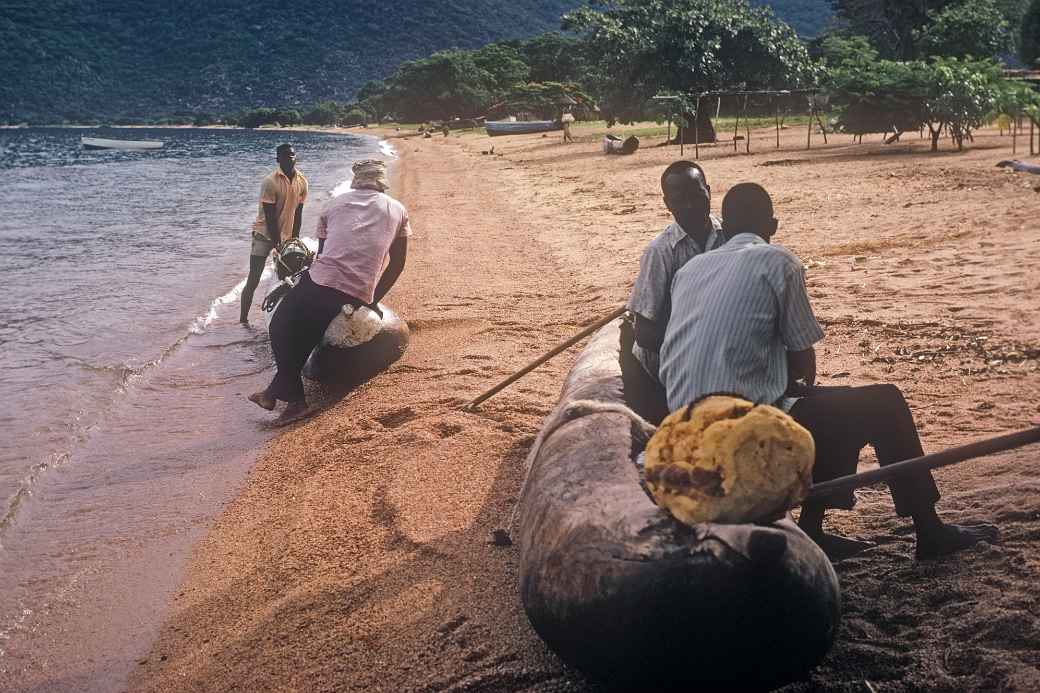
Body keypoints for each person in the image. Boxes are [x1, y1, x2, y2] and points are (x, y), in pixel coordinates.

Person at [660, 183, 999, 561]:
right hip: (741, 428)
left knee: (829, 404)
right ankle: (929, 529)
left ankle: (814, 527)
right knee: (882, 402)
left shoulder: (689, 270)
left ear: (726, 228)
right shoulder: (778, 261)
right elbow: (804, 361)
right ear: (771, 223)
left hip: (682, 424)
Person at [248, 159, 410, 422]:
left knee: (281, 325)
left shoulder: (334, 204)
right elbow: (398, 263)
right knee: (311, 328)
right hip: (358, 289)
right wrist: (371, 298)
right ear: (382, 182)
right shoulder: (399, 209)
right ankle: (273, 394)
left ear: (355, 180)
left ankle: (294, 401)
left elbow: (323, 255)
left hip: (324, 280)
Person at [626, 161, 723, 383]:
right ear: (667, 204)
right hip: (671, 355)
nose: (690, 206)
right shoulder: (660, 252)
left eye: (697, 196)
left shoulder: (731, 234)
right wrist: (701, 348)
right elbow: (644, 333)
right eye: (679, 200)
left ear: (708, 191)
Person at [240, 143, 308, 325]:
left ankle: (284, 318)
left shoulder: (302, 181)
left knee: (290, 276)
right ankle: (243, 320)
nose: (289, 158)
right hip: (263, 235)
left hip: (285, 237)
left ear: (296, 157)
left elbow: (298, 213)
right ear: (278, 159)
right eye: (285, 156)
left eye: (292, 155)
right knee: (254, 278)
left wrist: (294, 240)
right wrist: (278, 243)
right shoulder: (270, 181)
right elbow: (269, 217)